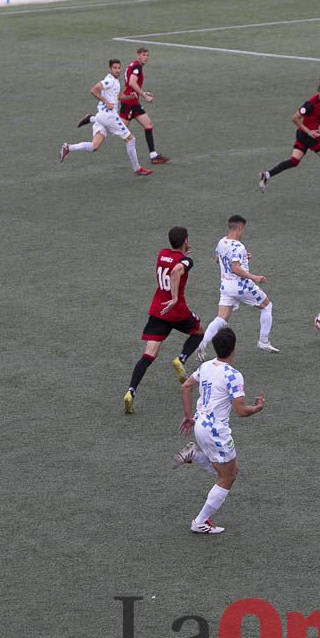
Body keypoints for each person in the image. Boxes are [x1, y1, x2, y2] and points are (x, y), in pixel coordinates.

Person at [171, 326, 265, 534]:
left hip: (200, 425)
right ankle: (200, 522)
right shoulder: (233, 375)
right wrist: (257, 408)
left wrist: (188, 416)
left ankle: (195, 453)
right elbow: (241, 411)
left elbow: (186, 386)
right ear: (234, 348)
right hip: (215, 432)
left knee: (231, 470)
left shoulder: (205, 367)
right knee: (227, 477)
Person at [124, 226, 205, 414]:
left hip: (159, 310)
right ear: (186, 240)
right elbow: (176, 271)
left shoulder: (162, 254)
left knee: (149, 355)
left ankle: (130, 391)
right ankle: (181, 359)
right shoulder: (186, 261)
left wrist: (183, 253)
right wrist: (175, 298)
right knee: (200, 330)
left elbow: (172, 262)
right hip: (176, 310)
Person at [196, 214, 278, 358]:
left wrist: (244, 257)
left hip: (226, 286)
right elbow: (235, 268)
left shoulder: (222, 242)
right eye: (243, 229)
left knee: (221, 318)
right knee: (267, 306)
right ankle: (263, 341)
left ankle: (202, 344)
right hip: (242, 286)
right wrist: (255, 277)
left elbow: (218, 259)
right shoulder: (239, 246)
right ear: (239, 228)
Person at [258, 78, 320, 197]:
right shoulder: (310, 104)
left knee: (294, 161)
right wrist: (309, 131)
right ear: (318, 92)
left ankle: (266, 175)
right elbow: (294, 118)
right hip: (308, 135)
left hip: (303, 135)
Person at [60, 59, 152, 176]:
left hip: (102, 116)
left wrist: (130, 97)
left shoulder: (116, 82)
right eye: (115, 68)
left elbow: (118, 97)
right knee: (131, 139)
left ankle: (68, 147)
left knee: (94, 146)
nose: (118, 70)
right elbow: (94, 90)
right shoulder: (109, 80)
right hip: (109, 117)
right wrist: (106, 101)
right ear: (110, 69)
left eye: (119, 68)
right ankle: (137, 169)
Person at [77, 47, 169, 164]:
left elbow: (131, 84)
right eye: (143, 55)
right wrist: (144, 95)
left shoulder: (133, 65)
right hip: (130, 103)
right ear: (138, 55)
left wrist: (142, 93)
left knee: (148, 124)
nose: (146, 57)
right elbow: (131, 82)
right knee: (116, 126)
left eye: (147, 55)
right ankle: (92, 118)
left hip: (133, 101)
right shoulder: (136, 67)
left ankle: (153, 155)